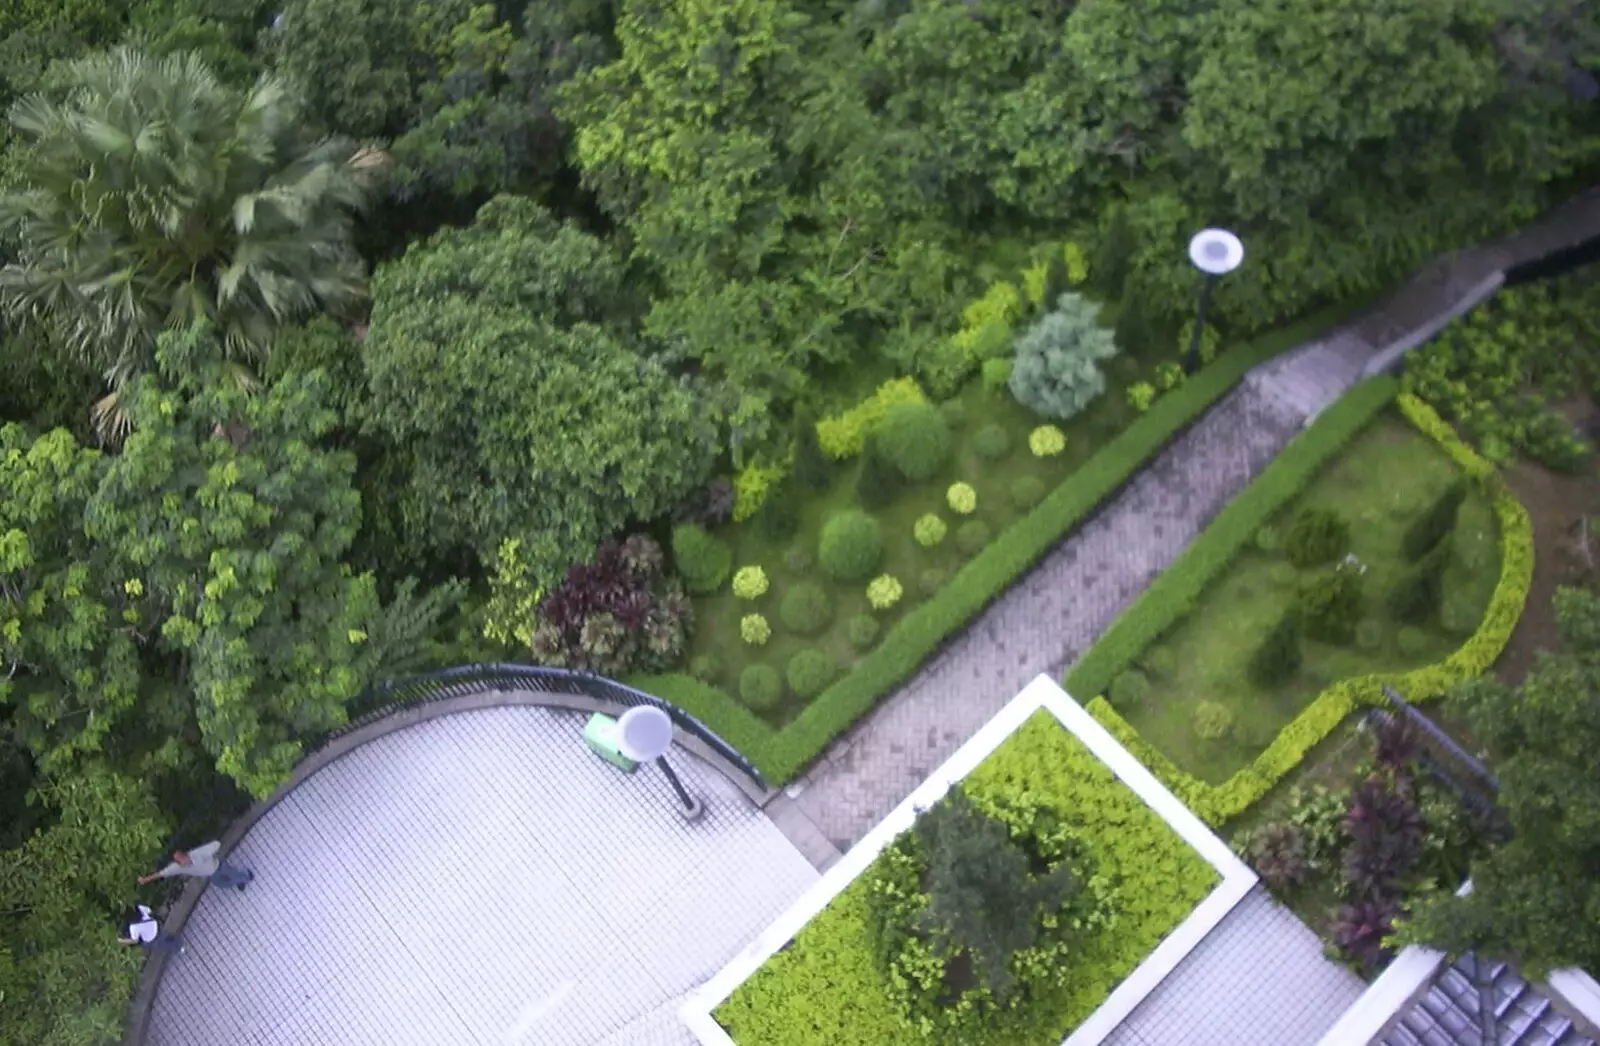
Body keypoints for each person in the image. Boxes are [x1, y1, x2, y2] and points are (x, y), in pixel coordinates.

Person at [138, 840, 254, 891]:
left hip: (219, 866)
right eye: (180, 859)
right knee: (223, 885)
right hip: (211, 875)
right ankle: (240, 880)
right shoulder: (177, 868)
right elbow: (161, 873)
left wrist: (214, 848)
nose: (183, 859)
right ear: (178, 862)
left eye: (182, 856)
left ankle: (247, 877)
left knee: (233, 874)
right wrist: (145, 879)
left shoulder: (195, 854)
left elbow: (212, 846)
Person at [119, 904, 185, 955]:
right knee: (166, 935)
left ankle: (179, 948)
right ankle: (178, 940)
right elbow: (149, 910)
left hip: (151, 938)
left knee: (164, 946)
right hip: (155, 925)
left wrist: (121, 941)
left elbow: (135, 941)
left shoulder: (133, 927)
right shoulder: (139, 908)